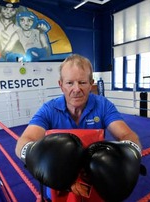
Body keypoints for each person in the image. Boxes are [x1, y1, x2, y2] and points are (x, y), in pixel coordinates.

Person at [15, 54, 142, 201]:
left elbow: (127, 135)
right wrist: (34, 155)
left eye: (82, 82)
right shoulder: (49, 109)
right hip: (58, 188)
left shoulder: (103, 105)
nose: (76, 89)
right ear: (61, 85)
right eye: (70, 83)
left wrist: (131, 153)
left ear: (91, 84)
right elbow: (23, 142)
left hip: (94, 184)